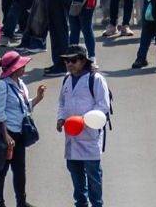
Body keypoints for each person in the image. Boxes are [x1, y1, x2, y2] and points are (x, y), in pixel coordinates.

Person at [0, 51, 46, 207]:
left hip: (19, 134)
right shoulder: (2, 86)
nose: (24, 68)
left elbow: (23, 107)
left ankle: (21, 202)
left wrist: (37, 98)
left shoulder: (20, 84)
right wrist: (6, 135)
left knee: (20, 171)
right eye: (22, 66)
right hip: (7, 135)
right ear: (14, 69)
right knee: (1, 170)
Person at [56, 45, 110, 207]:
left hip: (89, 137)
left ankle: (97, 204)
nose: (69, 64)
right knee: (75, 174)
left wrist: (83, 120)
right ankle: (81, 204)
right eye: (67, 61)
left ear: (83, 61)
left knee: (93, 176)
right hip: (72, 138)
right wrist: (60, 118)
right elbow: (62, 102)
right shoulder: (66, 79)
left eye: (73, 60)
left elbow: (103, 105)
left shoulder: (96, 79)